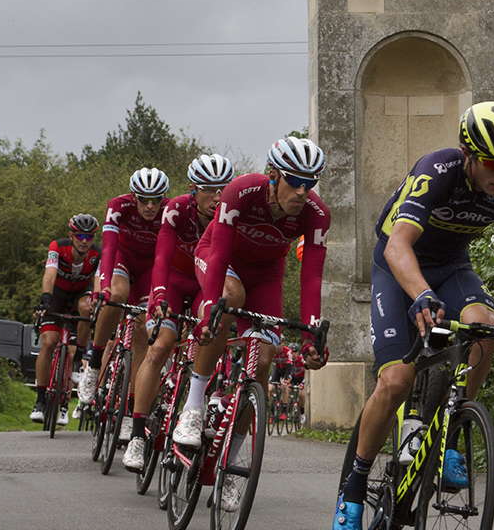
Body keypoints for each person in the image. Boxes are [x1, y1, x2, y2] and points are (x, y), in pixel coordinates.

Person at [333, 102, 494, 530]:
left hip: (453, 267)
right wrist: (419, 293)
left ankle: (453, 430)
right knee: (396, 379)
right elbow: (398, 245)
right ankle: (354, 489)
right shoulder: (436, 171)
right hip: (398, 269)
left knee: (484, 328)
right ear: (469, 155)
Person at [172, 136, 331, 499]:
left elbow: (311, 277)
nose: (303, 192)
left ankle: (230, 460)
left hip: (267, 276)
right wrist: (211, 305)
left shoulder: (317, 215)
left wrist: (311, 338)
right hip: (219, 259)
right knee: (228, 301)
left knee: (263, 362)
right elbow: (221, 250)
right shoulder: (241, 192)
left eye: (311, 183)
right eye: (295, 181)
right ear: (273, 175)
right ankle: (194, 406)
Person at [121, 154, 235, 470]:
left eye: (223, 189)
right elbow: (161, 256)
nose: (218, 197)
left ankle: (195, 408)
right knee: (159, 348)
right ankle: (136, 436)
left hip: (203, 285)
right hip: (172, 279)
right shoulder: (176, 209)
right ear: (193, 190)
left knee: (212, 328)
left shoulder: (230, 214)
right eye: (210, 189)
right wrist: (157, 296)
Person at [77, 167, 170, 444]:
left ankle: (131, 409)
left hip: (149, 269)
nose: (150, 206)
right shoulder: (118, 207)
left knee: (143, 327)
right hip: (122, 258)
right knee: (116, 295)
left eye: (156, 199)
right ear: (134, 196)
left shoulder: (170, 212)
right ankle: (94, 361)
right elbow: (107, 248)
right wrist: (103, 285)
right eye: (144, 199)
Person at [30, 214, 100, 425]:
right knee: (49, 343)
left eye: (89, 237)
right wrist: (45, 300)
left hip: (82, 294)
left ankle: (79, 357)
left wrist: (97, 303)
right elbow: (50, 274)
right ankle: (40, 401)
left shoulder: (98, 253)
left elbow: (98, 281)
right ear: (71, 235)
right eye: (80, 236)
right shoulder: (58, 248)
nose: (84, 241)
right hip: (58, 296)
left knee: (87, 307)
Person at [268, 338, 293, 409]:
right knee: (270, 388)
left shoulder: (288, 351)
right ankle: (272, 407)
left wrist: (285, 379)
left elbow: (289, 366)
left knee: (284, 386)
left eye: (279, 343)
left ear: (283, 344)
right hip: (277, 369)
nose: (277, 346)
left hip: (286, 370)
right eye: (276, 343)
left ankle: (284, 409)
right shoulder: (272, 351)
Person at [288, 341, 307, 422]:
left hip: (301, 378)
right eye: (292, 351)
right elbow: (286, 372)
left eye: (295, 352)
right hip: (292, 379)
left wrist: (303, 383)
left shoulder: (301, 359)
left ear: (298, 352)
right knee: (285, 390)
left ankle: (302, 413)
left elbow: (306, 373)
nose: (294, 354)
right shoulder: (288, 360)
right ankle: (288, 411)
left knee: (301, 393)